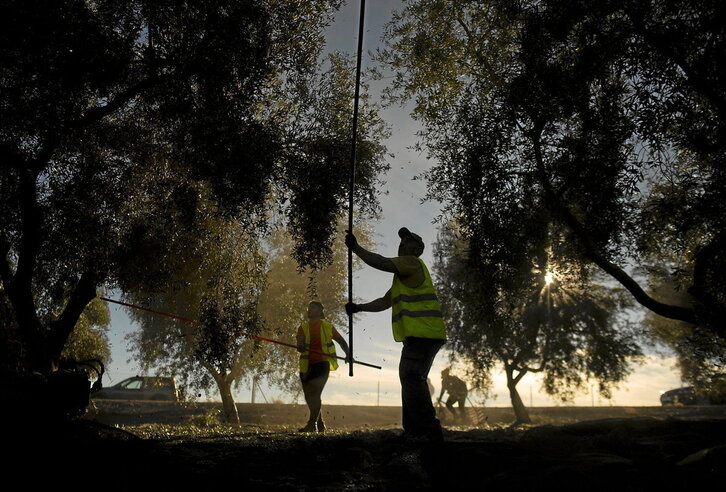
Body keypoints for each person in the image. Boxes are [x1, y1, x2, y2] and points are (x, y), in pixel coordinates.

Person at [345, 227, 446, 443]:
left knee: (411, 376)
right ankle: (414, 431)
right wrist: (359, 307)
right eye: (401, 241)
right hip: (423, 335)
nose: (402, 244)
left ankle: (427, 431)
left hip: (424, 333)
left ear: (417, 249)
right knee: (410, 377)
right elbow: (384, 301)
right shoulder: (404, 277)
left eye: (408, 241)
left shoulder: (412, 262)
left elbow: (382, 263)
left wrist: (356, 248)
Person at [296, 301, 349, 433]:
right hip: (306, 365)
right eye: (308, 308)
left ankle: (311, 424)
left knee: (315, 394)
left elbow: (341, 341)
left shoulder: (327, 327)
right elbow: (300, 344)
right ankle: (320, 423)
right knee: (309, 396)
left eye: (312, 308)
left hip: (322, 364)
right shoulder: (302, 327)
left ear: (320, 311)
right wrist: (301, 346)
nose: (309, 310)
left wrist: (348, 353)